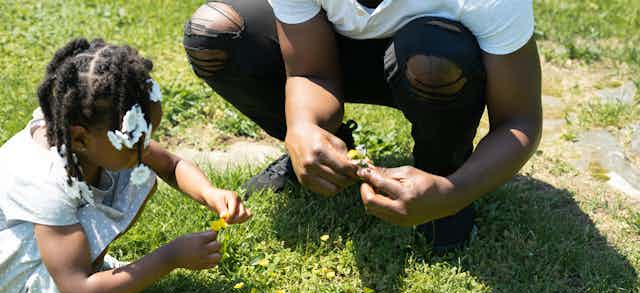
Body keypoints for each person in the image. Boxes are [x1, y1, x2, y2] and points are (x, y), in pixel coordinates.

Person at [183, 0, 542, 253]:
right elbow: (309, 71)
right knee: (215, 33)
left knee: (433, 61)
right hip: (335, 51)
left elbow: (519, 120)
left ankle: (440, 176)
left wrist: (454, 191)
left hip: (435, 62)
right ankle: (329, 152)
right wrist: (303, 127)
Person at [0, 38, 251, 293]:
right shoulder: (46, 180)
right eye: (136, 138)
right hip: (7, 258)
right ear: (80, 138)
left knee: (139, 175)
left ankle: (84, 268)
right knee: (72, 271)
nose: (145, 146)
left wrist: (211, 193)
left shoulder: (94, 127)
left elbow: (171, 164)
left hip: (48, 235)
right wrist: (170, 257)